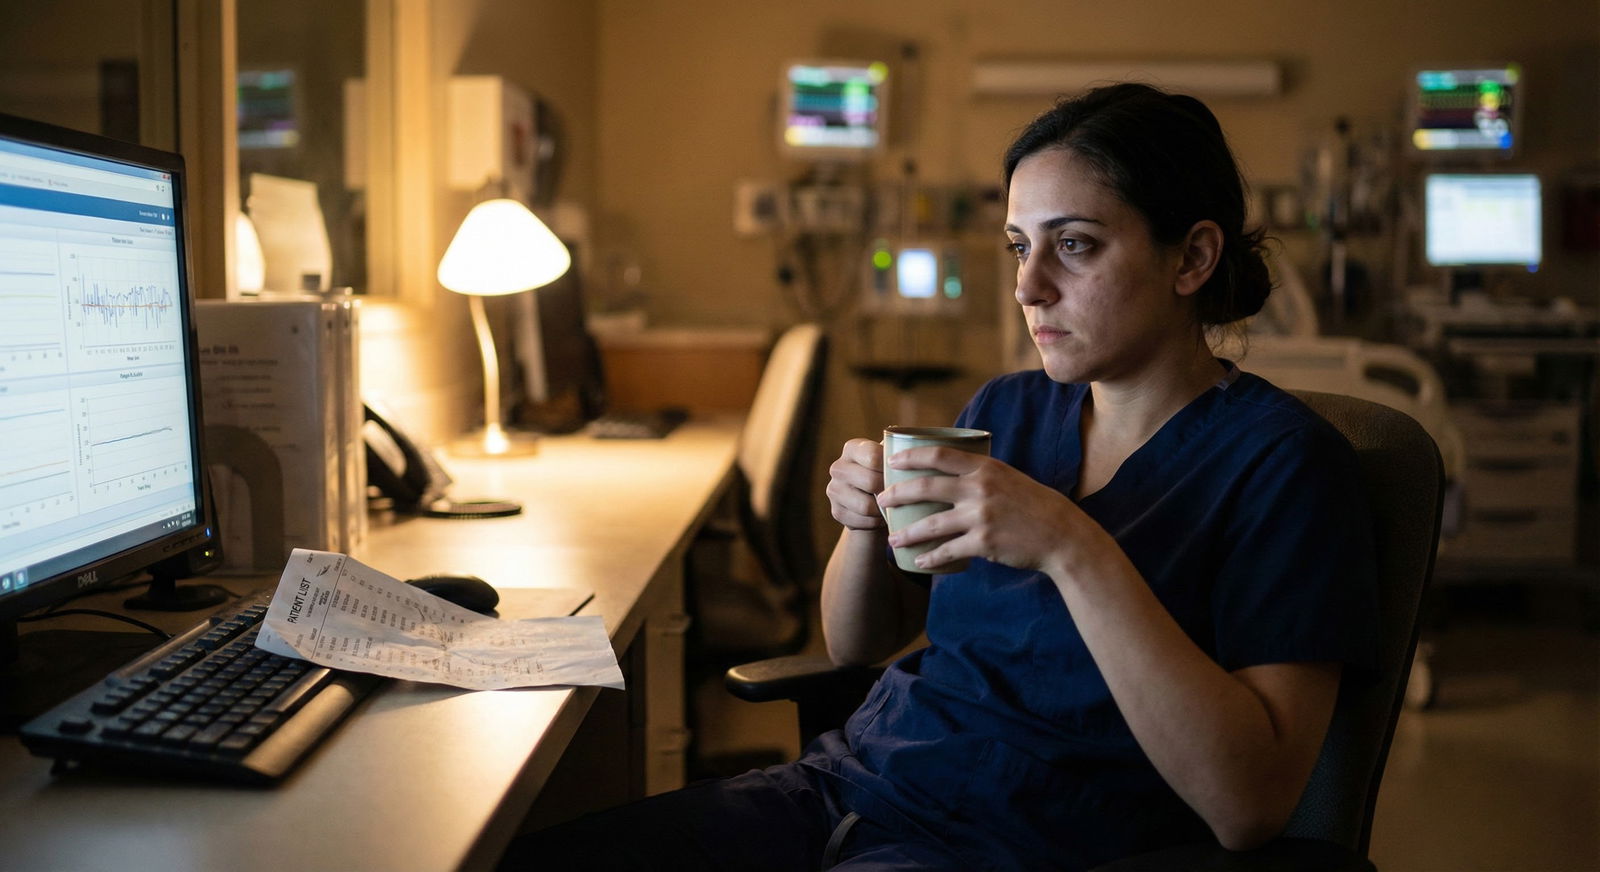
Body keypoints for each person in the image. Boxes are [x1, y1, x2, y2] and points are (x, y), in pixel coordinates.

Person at [501, 82, 1378, 872]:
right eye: (1017, 246)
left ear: (1191, 259)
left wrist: (1073, 548)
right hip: (843, 788)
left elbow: (1250, 806)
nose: (1029, 287)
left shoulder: (1283, 466)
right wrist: (863, 527)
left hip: (1011, 840)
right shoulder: (1008, 409)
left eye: (1074, 246)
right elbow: (855, 647)